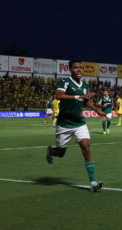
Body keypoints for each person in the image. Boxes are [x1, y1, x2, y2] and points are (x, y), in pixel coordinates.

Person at [46, 59, 106, 192]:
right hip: (64, 124)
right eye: (75, 68)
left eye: (81, 68)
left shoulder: (85, 85)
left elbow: (86, 101)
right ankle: (51, 151)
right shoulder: (65, 82)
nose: (79, 70)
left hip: (79, 122)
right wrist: (79, 96)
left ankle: (93, 182)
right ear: (70, 70)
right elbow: (58, 96)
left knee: (86, 147)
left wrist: (97, 110)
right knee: (61, 153)